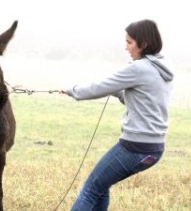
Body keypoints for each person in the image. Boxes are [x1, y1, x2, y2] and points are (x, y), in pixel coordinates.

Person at [60, 19, 174, 211]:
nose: (126, 47)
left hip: (134, 147)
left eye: (130, 42)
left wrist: (72, 91)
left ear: (143, 44)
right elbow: (142, 102)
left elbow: (99, 87)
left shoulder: (138, 68)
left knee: (90, 189)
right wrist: (117, 90)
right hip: (155, 149)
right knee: (101, 186)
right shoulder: (163, 69)